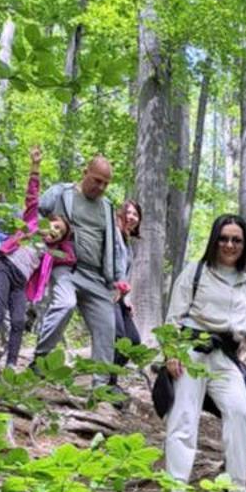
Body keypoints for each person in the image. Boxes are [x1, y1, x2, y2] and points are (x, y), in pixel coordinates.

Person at [160, 213, 246, 492]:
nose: (229, 245)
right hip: (191, 351)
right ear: (214, 240)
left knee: (240, 412)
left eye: (236, 239)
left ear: (244, 243)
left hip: (226, 357)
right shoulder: (195, 272)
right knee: (183, 415)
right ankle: (177, 488)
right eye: (224, 238)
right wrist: (171, 352)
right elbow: (173, 317)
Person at [32, 156, 128, 397]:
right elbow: (35, 211)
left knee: (107, 326)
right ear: (85, 172)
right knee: (65, 304)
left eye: (106, 183)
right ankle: (40, 361)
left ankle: (100, 387)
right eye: (97, 180)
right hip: (67, 267)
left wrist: (118, 279)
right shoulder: (61, 193)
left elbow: (115, 246)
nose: (101, 187)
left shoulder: (107, 207)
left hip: (97, 276)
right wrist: (44, 234)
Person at [0, 147, 44, 368]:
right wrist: (35, 167)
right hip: (5, 266)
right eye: (53, 225)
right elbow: (32, 196)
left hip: (21, 282)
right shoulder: (33, 223)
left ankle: (11, 362)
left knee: (18, 320)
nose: (54, 230)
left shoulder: (52, 250)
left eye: (59, 229)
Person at [114, 200, 145, 351]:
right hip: (108, 294)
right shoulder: (113, 234)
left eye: (135, 214)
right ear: (121, 214)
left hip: (120, 298)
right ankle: (105, 374)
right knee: (118, 339)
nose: (132, 217)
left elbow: (123, 273)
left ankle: (110, 374)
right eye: (128, 212)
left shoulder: (128, 245)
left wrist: (125, 300)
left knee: (133, 342)